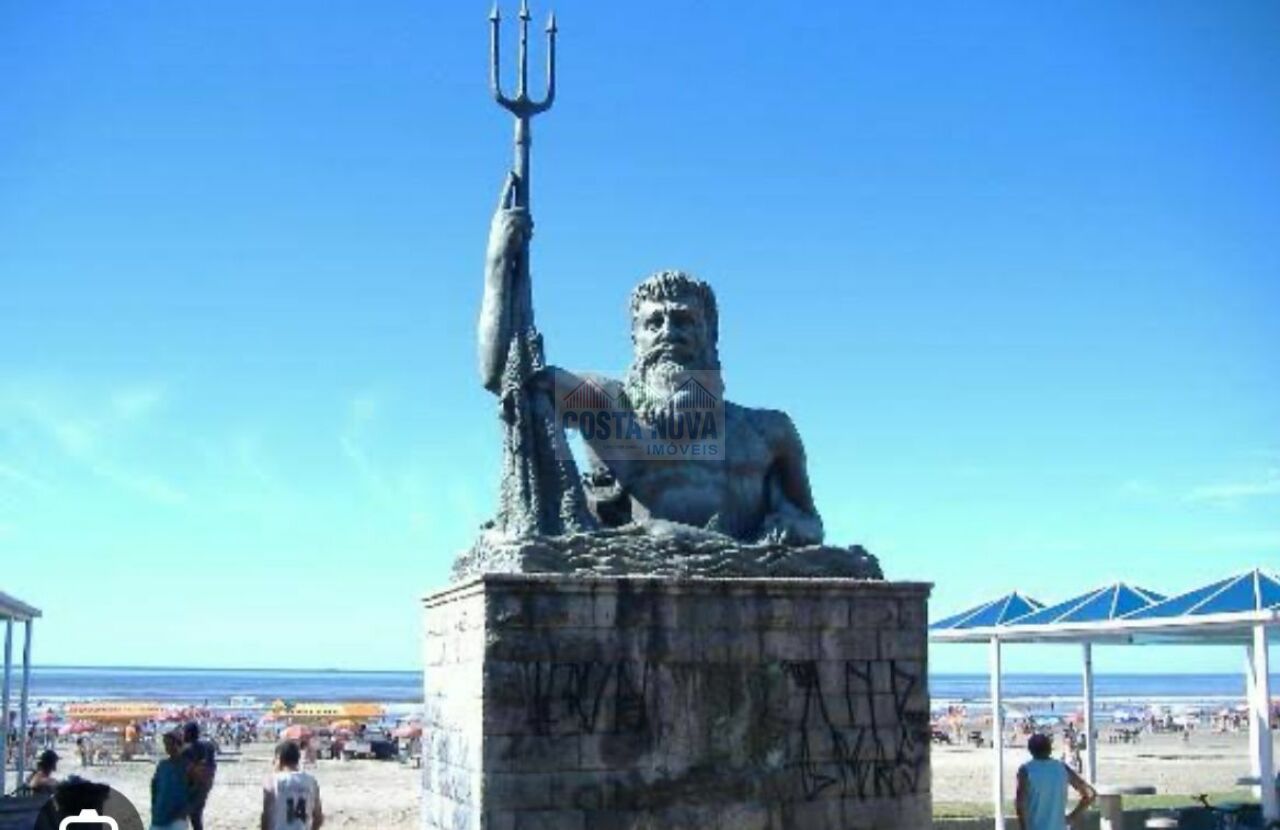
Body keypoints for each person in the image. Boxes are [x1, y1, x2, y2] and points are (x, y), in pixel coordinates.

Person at [1016, 733, 1095, 830]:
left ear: (1031, 750)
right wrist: (1071, 817)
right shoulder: (1062, 768)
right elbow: (1090, 793)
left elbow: (1021, 804)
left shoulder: (1026, 771)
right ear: (1050, 749)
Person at [262, 740, 323, 830]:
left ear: (279, 758)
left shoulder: (273, 781)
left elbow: (266, 816)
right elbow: (318, 817)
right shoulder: (311, 781)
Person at [180, 722, 217, 830]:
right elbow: (212, 765)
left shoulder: (187, 750)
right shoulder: (209, 746)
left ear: (189, 733)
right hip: (206, 784)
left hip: (192, 786)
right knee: (196, 815)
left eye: (184, 732)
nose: (183, 735)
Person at [151, 731, 190, 830]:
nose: (168, 747)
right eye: (166, 744)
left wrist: (186, 809)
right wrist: (154, 806)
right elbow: (154, 786)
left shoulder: (187, 766)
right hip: (159, 815)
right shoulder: (163, 765)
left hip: (177, 816)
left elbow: (196, 789)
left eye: (171, 744)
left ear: (179, 745)